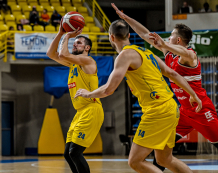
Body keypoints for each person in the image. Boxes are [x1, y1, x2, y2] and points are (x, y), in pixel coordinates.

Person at [75, 16, 202, 173]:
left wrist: (88, 94)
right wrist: (193, 94)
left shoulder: (124, 56)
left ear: (111, 37)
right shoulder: (146, 52)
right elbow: (172, 73)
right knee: (164, 159)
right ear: (128, 36)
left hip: (157, 111)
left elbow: (108, 89)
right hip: (171, 107)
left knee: (135, 161)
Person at [110, 3, 218, 172]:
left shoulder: (190, 55)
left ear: (178, 40)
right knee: (161, 153)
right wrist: (126, 19)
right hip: (183, 112)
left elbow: (180, 52)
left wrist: (164, 45)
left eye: (171, 36)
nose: (167, 38)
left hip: (201, 108)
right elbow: (144, 34)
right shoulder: (168, 54)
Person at [47, 22, 104, 173]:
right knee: (68, 153)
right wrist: (60, 33)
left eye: (78, 42)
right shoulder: (73, 64)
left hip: (91, 109)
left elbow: (62, 54)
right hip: (80, 112)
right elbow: (51, 54)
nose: (74, 44)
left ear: (87, 48)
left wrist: (67, 35)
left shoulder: (87, 61)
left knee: (75, 152)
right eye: (74, 42)